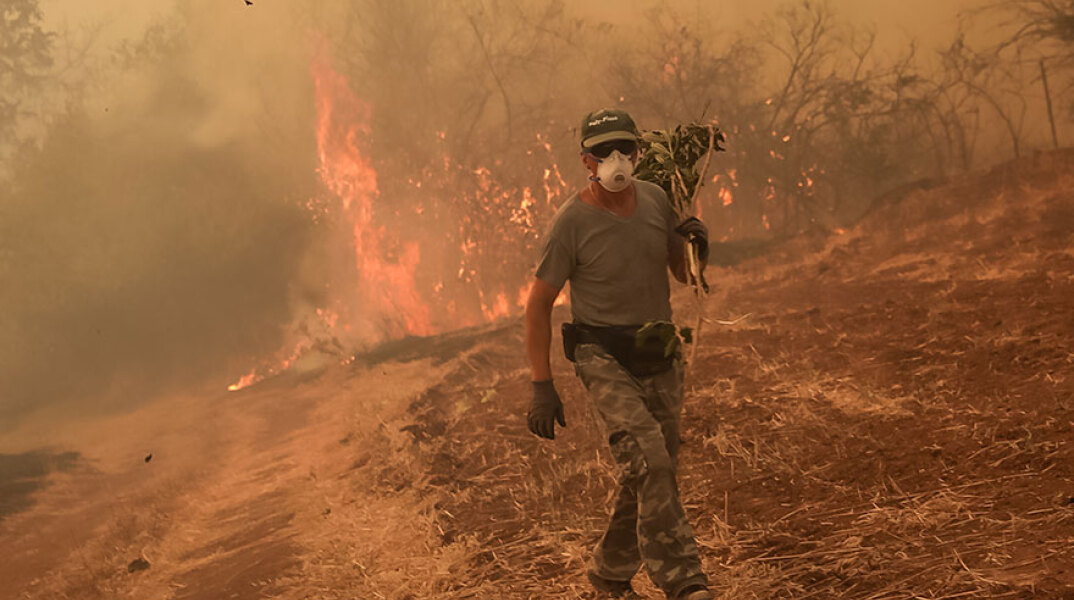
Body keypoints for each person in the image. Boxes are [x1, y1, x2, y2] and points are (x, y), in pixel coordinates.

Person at [524, 108, 713, 600]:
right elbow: (539, 303)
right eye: (602, 152)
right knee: (650, 461)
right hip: (601, 352)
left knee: (654, 467)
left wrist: (695, 245)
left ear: (639, 153)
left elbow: (684, 274)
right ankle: (685, 582)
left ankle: (609, 575)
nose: (615, 160)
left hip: (660, 347)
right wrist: (542, 386)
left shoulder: (656, 201)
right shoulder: (571, 222)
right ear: (586, 161)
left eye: (624, 149)